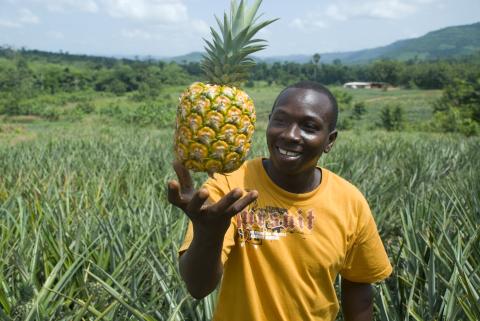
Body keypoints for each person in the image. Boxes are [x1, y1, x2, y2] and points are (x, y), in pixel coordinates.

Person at [168, 81, 392, 321]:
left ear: (330, 140)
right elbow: (198, 287)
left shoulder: (350, 202)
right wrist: (207, 234)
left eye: (309, 126)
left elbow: (358, 286)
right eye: (281, 121)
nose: (290, 135)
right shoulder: (227, 187)